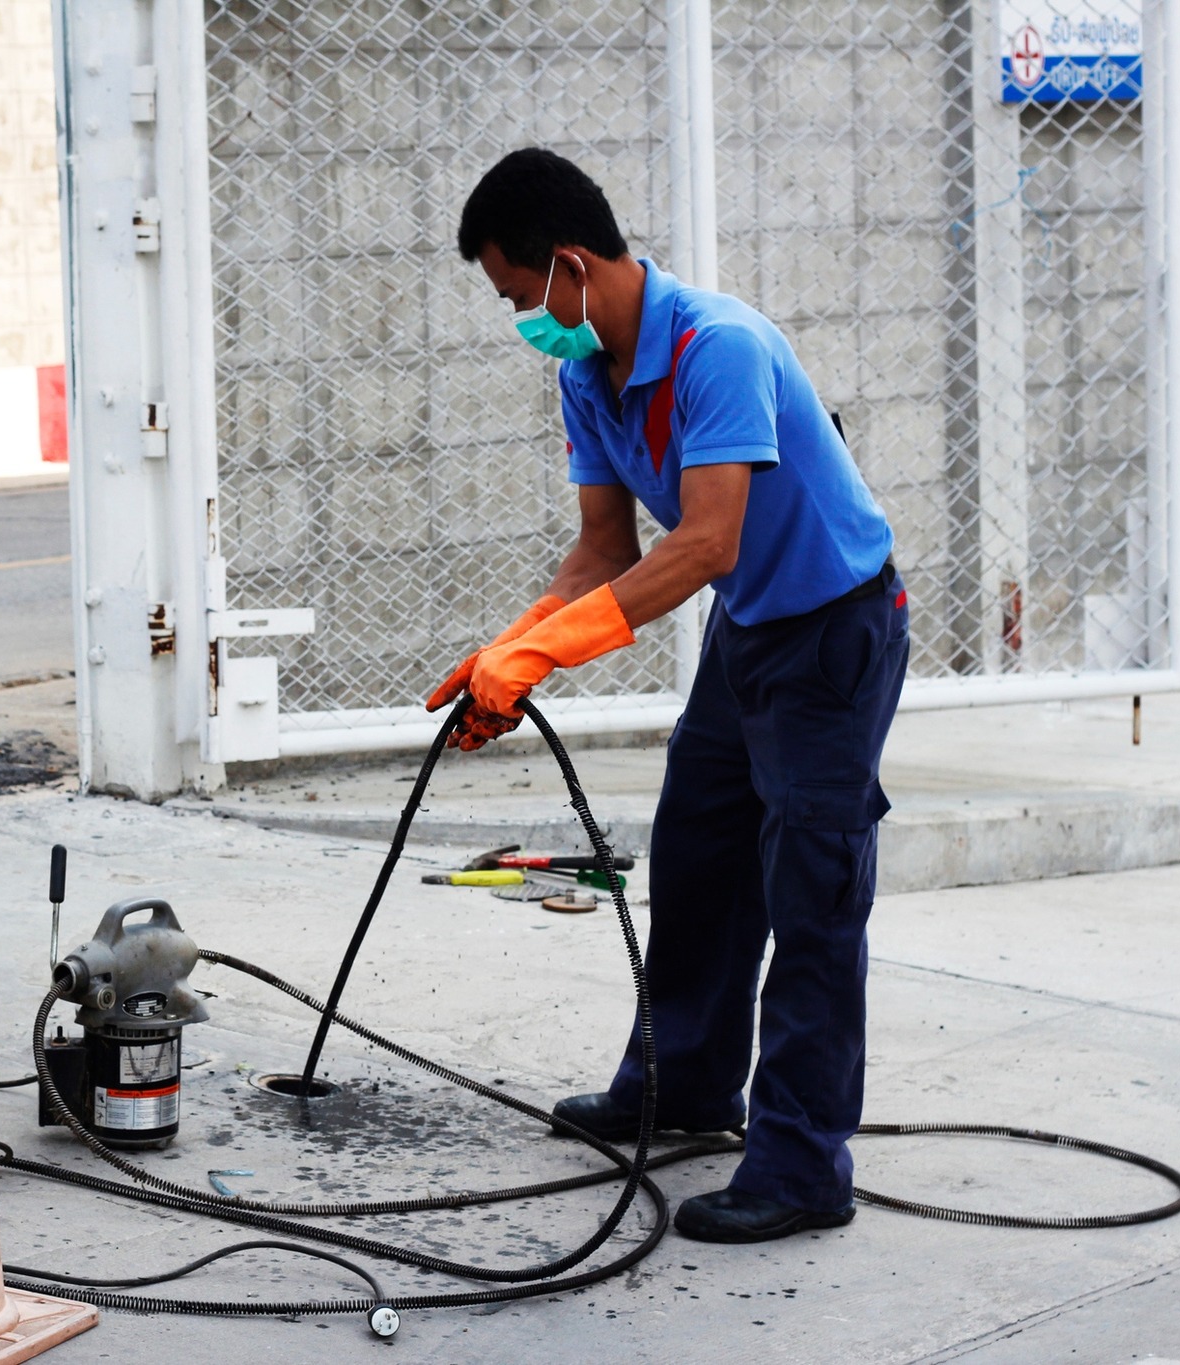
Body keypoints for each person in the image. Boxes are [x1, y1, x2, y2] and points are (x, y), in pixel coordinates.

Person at [430, 147, 908, 1244]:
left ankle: (800, 1167)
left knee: (812, 897)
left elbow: (703, 541)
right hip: (747, 633)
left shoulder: (716, 349)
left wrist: (545, 658)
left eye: (517, 297)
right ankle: (684, 1088)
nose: (519, 321)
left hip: (833, 635)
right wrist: (506, 650)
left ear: (567, 264)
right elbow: (600, 548)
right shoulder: (582, 371)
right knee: (696, 863)